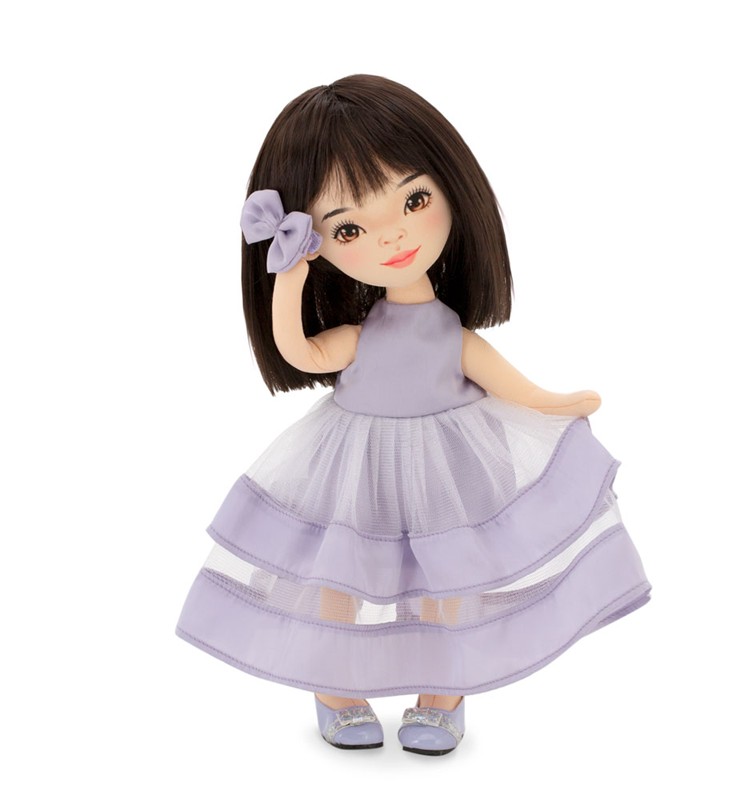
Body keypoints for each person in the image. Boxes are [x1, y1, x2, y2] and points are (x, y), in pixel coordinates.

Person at [175, 74, 652, 756]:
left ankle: (443, 688)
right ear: (317, 238)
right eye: (349, 228)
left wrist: (559, 406)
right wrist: (289, 282)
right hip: (355, 467)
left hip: (447, 469)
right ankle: (335, 684)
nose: (392, 235)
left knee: (448, 576)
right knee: (339, 574)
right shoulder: (359, 337)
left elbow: (514, 387)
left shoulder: (452, 335)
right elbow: (299, 351)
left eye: (415, 199)